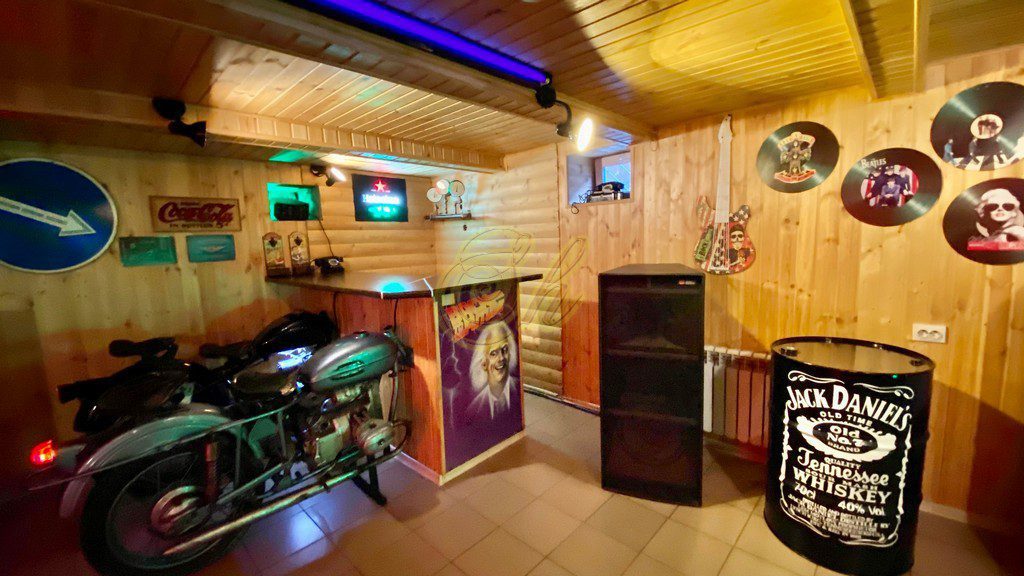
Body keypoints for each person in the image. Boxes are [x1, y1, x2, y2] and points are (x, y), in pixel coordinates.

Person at [467, 320, 518, 420]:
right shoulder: (474, 409)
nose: (501, 358)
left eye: (505, 349)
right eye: (493, 353)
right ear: (484, 363)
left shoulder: (518, 390)